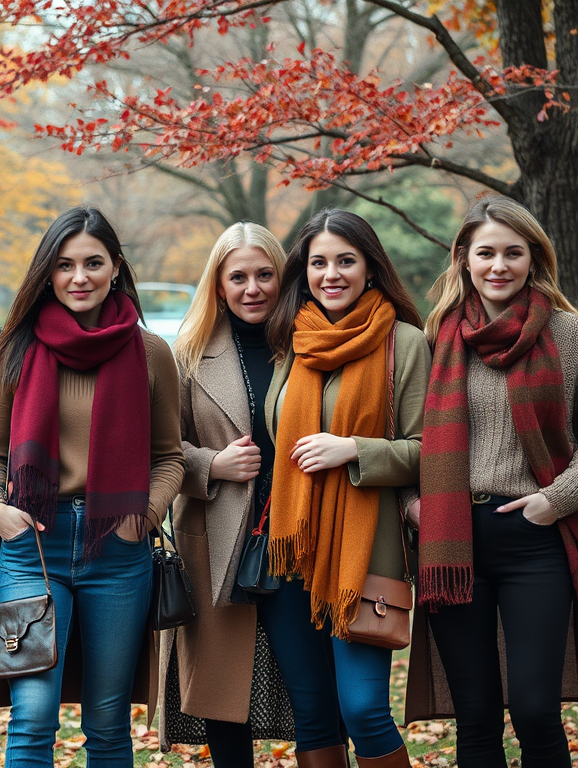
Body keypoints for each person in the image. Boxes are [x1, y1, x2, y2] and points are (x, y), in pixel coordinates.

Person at [0, 205, 184, 767]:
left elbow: (168, 458)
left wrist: (143, 516)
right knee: (34, 715)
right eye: (65, 265)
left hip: (117, 551)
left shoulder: (150, 353)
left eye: (93, 263)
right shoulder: (14, 353)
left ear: (115, 267)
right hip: (31, 547)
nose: (79, 277)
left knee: (109, 720)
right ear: (47, 273)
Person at [405, 196, 578, 768]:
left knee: (533, 709)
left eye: (513, 252)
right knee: (475, 716)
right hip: (454, 542)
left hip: (536, 540)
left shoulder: (569, 335)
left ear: (534, 259)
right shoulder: (435, 340)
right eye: (486, 252)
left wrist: (554, 501)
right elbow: (406, 438)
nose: (498, 265)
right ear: (463, 259)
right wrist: (413, 506)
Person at [262, 208, 430, 767]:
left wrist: (354, 448)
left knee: (363, 710)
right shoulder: (293, 343)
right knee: (312, 712)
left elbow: (432, 449)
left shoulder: (403, 343)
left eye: (345, 261)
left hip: (365, 556)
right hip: (290, 557)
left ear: (371, 268)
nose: (331, 273)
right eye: (318, 262)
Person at [159, 222, 293, 765]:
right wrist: (212, 463)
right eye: (238, 277)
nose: (252, 288)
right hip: (215, 537)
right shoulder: (187, 355)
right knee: (222, 690)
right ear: (218, 285)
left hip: (297, 532)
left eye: (265, 275)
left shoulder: (308, 347)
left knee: (307, 682)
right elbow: (162, 448)